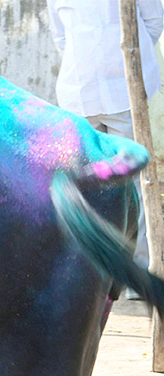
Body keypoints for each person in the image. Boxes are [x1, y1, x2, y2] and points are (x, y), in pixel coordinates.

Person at [49, 0, 164, 273]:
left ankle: (140, 271)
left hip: (124, 93)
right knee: (88, 184)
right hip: (81, 96)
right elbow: (61, 37)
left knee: (136, 183)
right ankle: (95, 274)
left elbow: (154, 22)